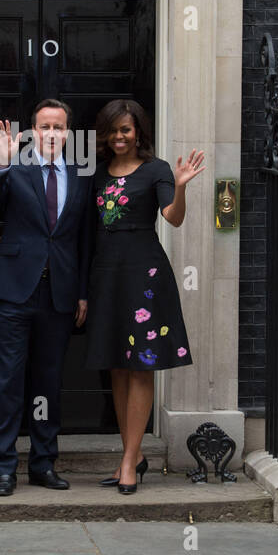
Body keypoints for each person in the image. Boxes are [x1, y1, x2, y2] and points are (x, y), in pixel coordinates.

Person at [84, 99, 205, 494]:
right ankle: (131, 454)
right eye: (113, 130)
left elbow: (172, 216)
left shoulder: (157, 169)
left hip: (145, 276)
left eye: (126, 130)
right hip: (107, 275)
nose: (120, 137)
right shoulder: (99, 174)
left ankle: (128, 462)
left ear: (139, 132)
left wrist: (181, 187)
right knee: (117, 367)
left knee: (141, 365)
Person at [0, 99, 93, 496]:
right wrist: (4, 162)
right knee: (7, 380)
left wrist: (82, 293)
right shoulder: (16, 167)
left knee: (48, 382)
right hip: (14, 290)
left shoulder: (81, 173)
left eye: (58, 127)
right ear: (32, 132)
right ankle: (4, 468)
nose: (50, 134)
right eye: (43, 127)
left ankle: (43, 464)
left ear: (68, 133)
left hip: (59, 295)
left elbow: (83, 239)